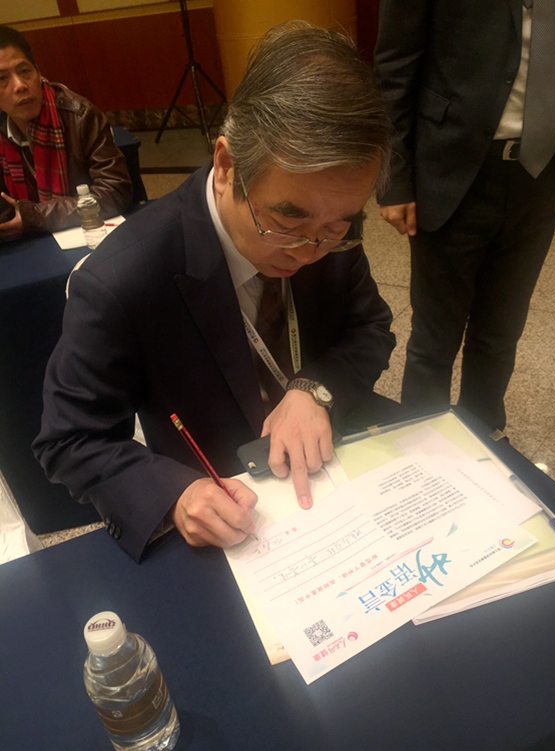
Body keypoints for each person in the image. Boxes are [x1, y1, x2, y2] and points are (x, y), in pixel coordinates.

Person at [33, 22, 398, 562]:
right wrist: (173, 495)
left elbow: (369, 327)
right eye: (286, 222)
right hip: (222, 499)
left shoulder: (326, 223)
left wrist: (313, 388)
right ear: (227, 167)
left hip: (336, 461)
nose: (308, 251)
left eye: (337, 225)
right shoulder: (123, 279)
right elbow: (69, 440)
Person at [374, 0, 555, 430]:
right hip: (451, 166)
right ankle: (423, 442)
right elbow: (395, 65)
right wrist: (394, 176)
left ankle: (484, 434)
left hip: (541, 171)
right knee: (436, 335)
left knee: (501, 331)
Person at [0, 25, 132, 240]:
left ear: (38, 72)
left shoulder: (80, 116)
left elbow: (115, 192)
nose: (20, 85)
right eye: (2, 78)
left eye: (25, 71)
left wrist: (35, 216)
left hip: (85, 235)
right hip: (25, 240)